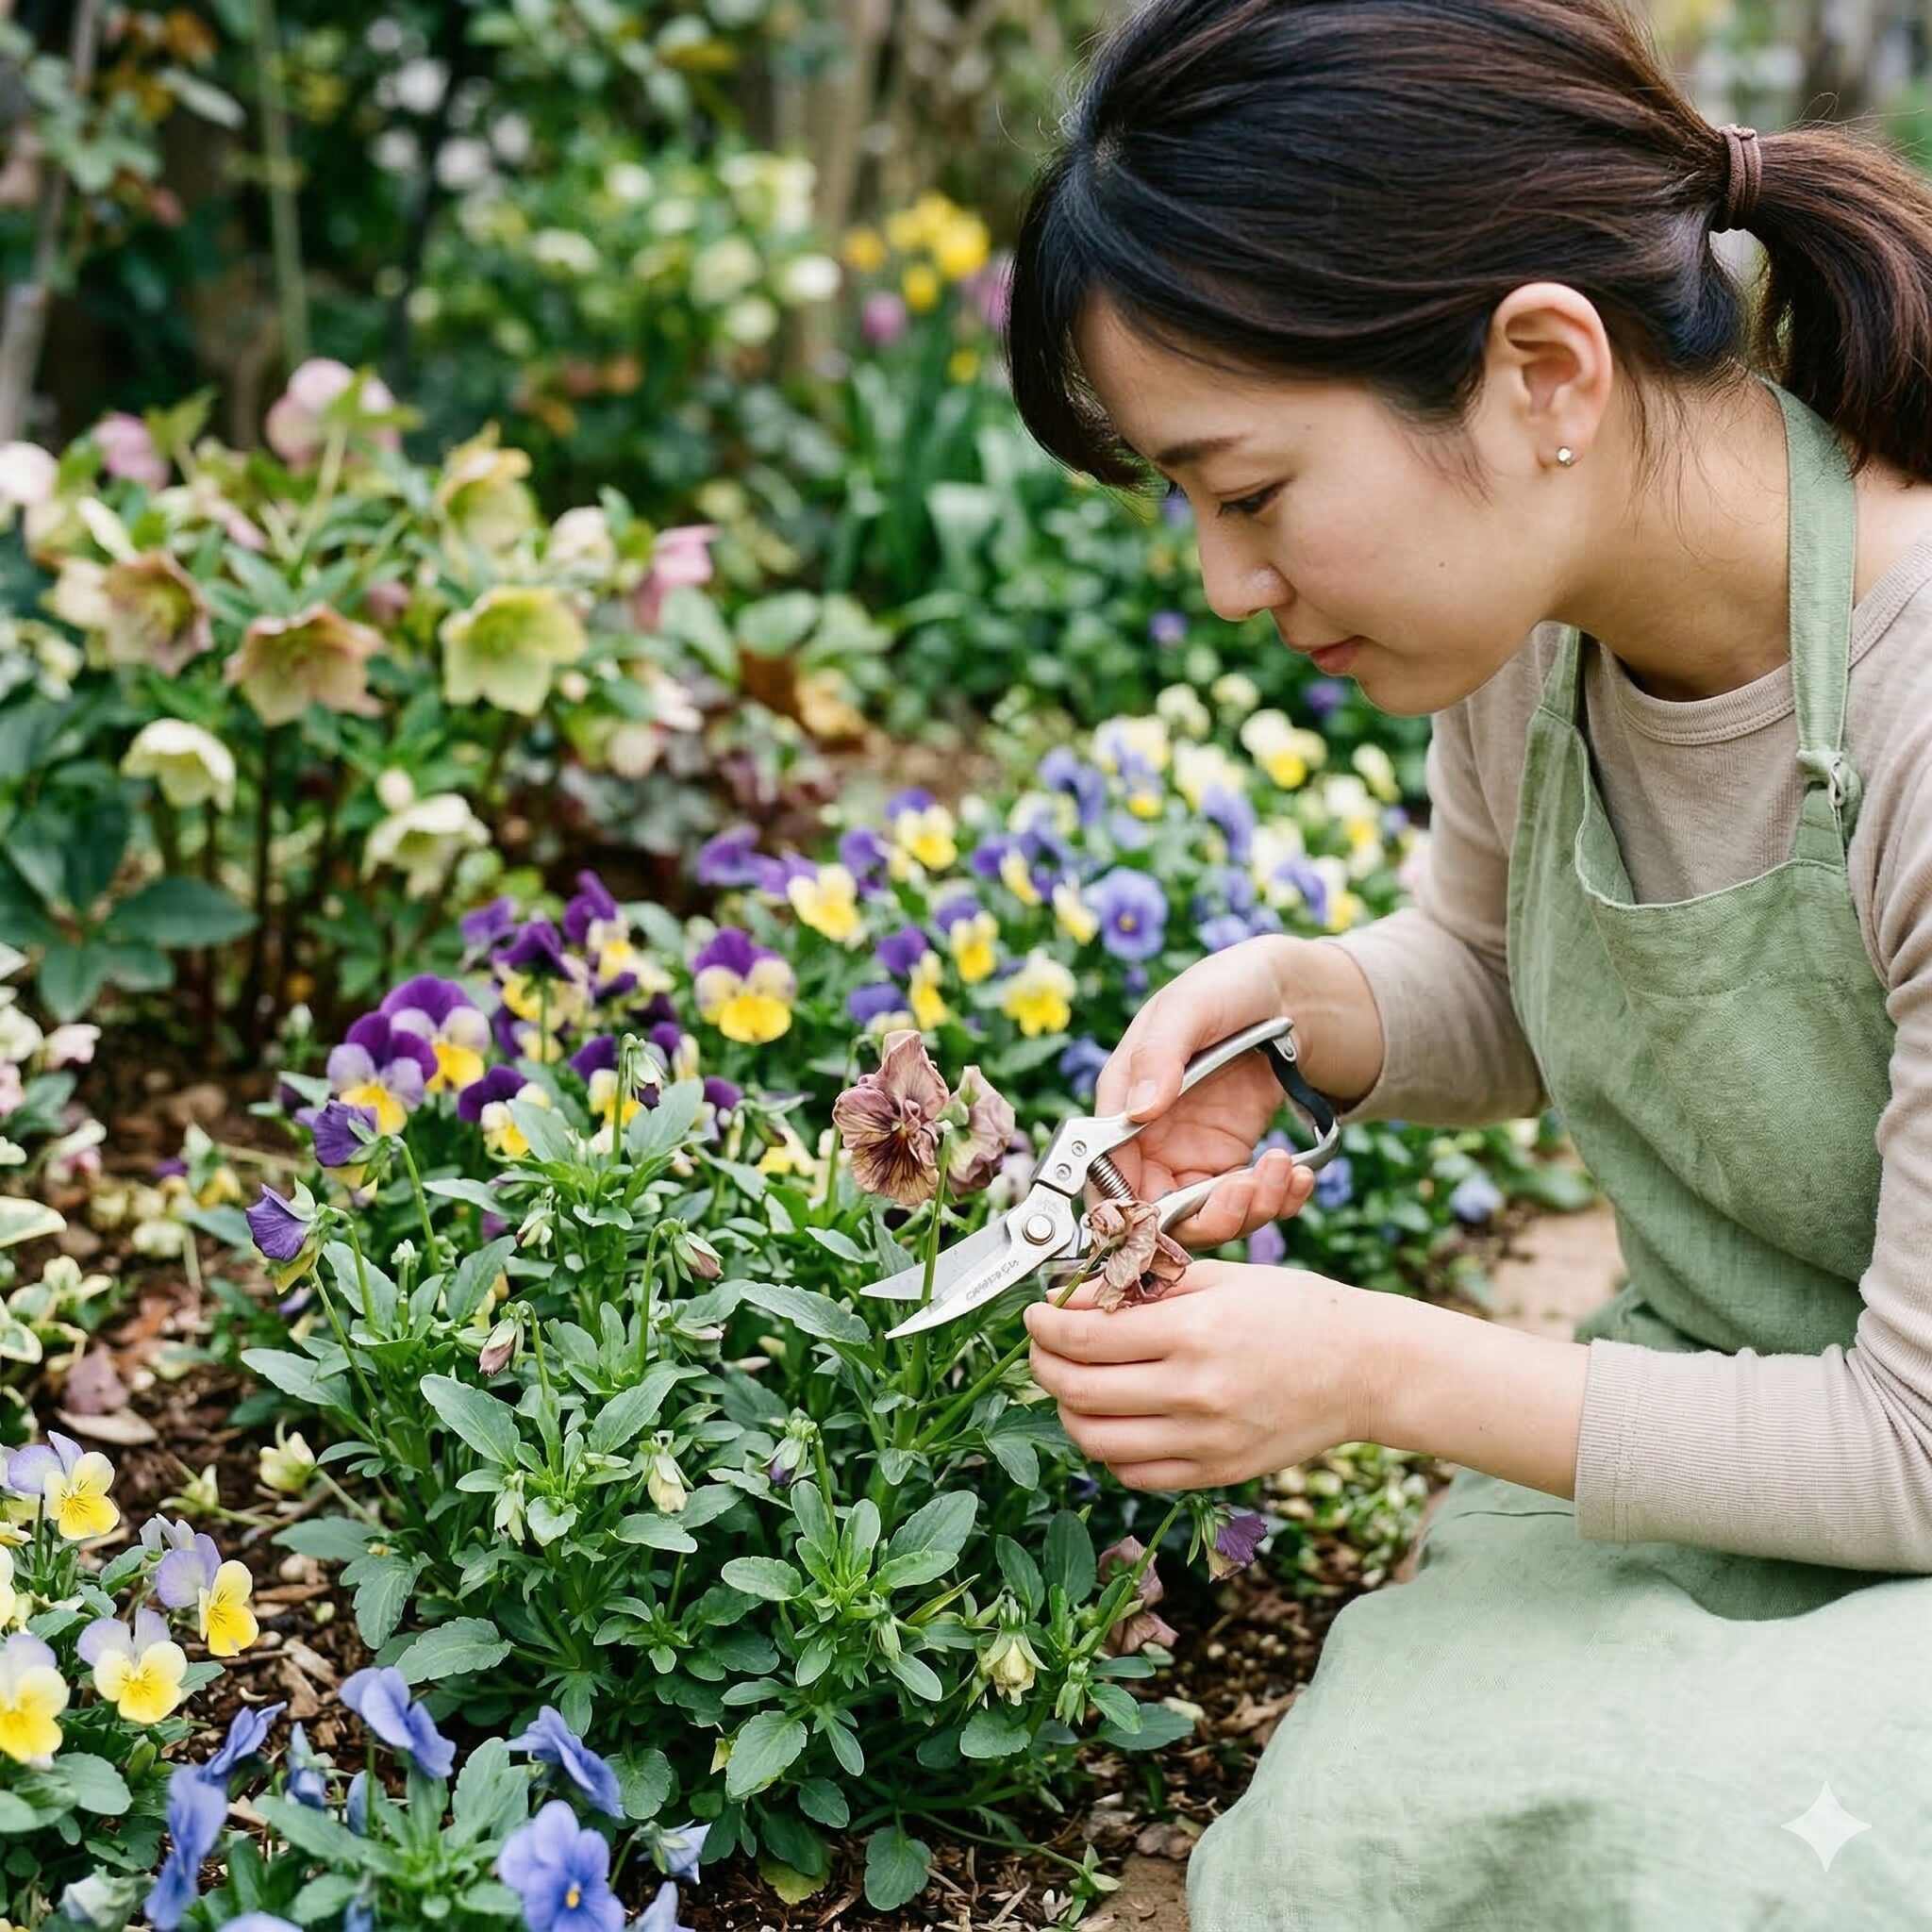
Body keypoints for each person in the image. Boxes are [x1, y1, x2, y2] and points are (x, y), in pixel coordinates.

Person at [1002, 1, 1932, 1924]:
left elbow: (1912, 1447)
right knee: (1361, 1847)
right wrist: (1314, 1016)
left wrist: (1362, 1362)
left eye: (1245, 491)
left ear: (1537, 371)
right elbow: (1503, 971)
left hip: (1896, 1457)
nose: (1222, 583)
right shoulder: (1543, 619)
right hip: (1737, 1416)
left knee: (1741, 1863)